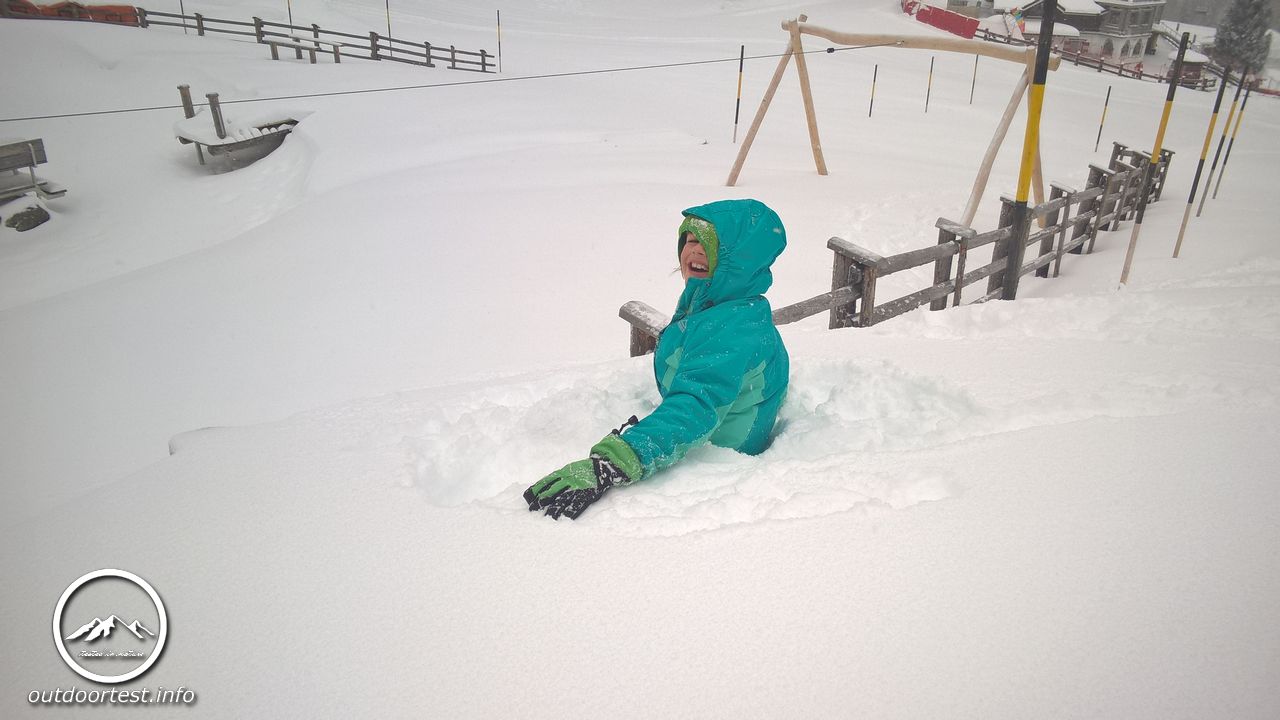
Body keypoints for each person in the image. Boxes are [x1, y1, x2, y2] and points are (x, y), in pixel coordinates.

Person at [524, 199, 790, 519]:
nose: (694, 251)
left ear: (740, 262)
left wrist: (615, 461)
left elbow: (695, 407)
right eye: (689, 240)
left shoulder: (732, 328)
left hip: (722, 466)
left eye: (708, 245)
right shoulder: (718, 304)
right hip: (709, 437)